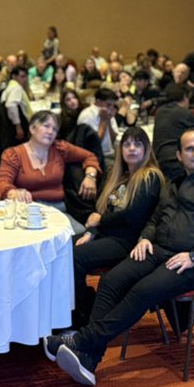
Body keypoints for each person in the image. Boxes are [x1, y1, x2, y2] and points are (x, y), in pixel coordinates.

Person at [47, 129, 194, 386]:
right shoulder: (172, 184)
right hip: (158, 250)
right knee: (111, 282)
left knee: (142, 290)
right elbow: (154, 219)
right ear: (179, 155)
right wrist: (146, 237)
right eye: (190, 149)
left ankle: (84, 342)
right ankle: (89, 358)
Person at [71, 126, 165, 324]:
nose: (131, 148)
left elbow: (133, 217)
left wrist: (100, 221)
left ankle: (82, 314)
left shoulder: (150, 176)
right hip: (110, 236)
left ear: (146, 149)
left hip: (130, 241)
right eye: (127, 144)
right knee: (63, 247)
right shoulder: (120, 176)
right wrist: (92, 232)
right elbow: (106, 211)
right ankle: (80, 304)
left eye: (137, 144)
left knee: (75, 257)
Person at [0, 110, 100, 230]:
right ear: (32, 128)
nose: (51, 132)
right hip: (28, 211)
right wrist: (13, 192)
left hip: (58, 210)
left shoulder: (60, 149)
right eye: (46, 126)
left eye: (55, 129)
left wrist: (90, 176)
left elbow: (90, 156)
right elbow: (2, 182)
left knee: (78, 233)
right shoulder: (14, 154)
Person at [151, 83, 194, 183]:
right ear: (185, 97)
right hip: (177, 164)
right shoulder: (185, 113)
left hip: (158, 163)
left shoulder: (160, 111)